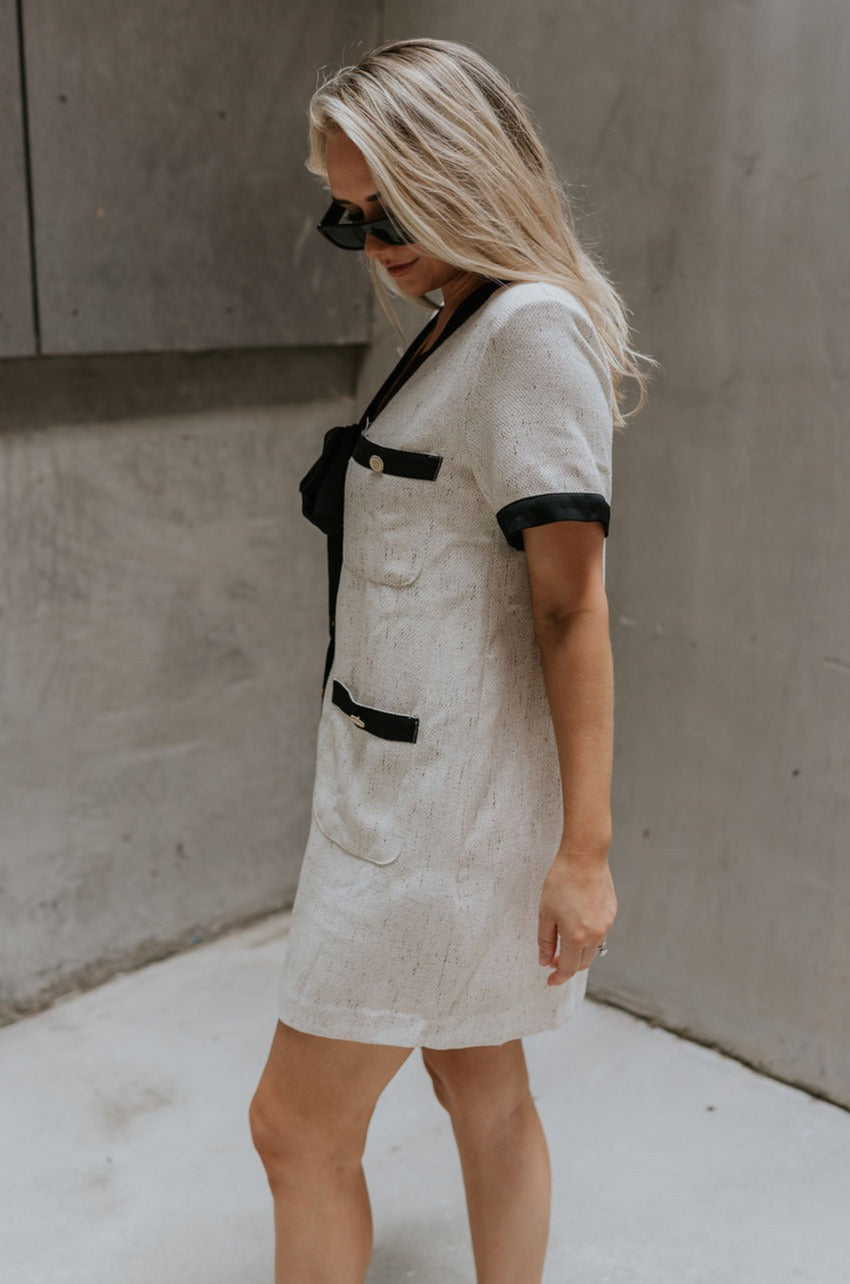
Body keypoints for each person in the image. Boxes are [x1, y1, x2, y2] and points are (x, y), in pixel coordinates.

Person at [249, 36, 655, 1284]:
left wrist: (583, 855)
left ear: (467, 176)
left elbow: (573, 610)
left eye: (392, 211)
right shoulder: (456, 316)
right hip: (412, 793)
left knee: (294, 1127)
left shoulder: (526, 332)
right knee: (479, 1077)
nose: (373, 242)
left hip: (438, 825)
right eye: (348, 218)